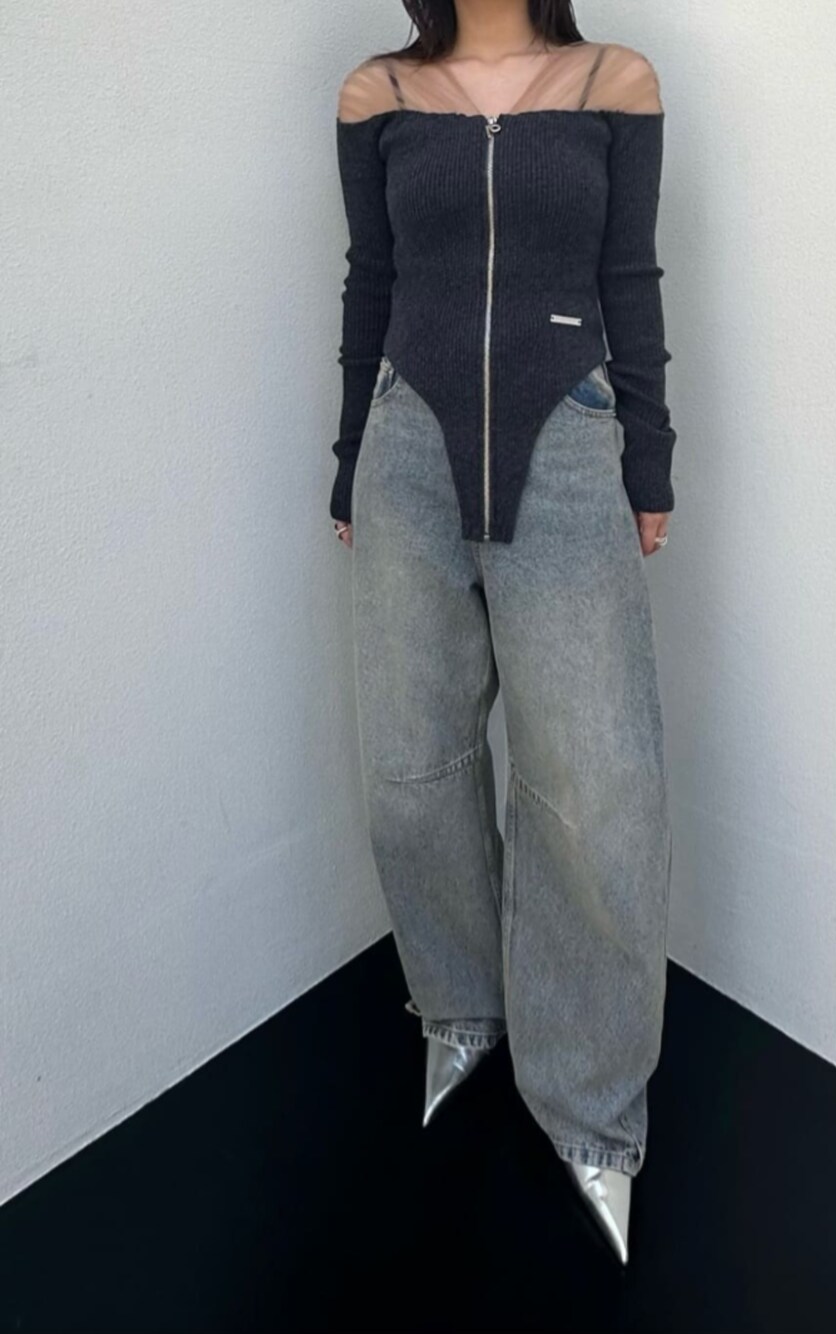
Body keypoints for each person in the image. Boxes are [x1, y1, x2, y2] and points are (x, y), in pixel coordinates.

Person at [330, 0, 676, 1266]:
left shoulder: (613, 78)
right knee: (409, 766)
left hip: (569, 440)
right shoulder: (375, 92)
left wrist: (649, 459)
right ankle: (459, 1005)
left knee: (598, 785)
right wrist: (347, 462)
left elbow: (628, 279)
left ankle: (590, 1100)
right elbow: (372, 281)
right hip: (404, 447)